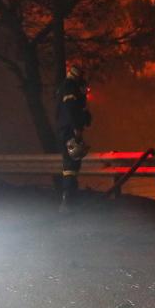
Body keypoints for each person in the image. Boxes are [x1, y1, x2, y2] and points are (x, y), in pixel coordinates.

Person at [56, 64, 92, 209]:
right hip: (69, 129)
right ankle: (68, 201)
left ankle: (69, 199)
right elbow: (71, 108)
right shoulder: (70, 86)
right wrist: (77, 127)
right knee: (71, 162)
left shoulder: (67, 86)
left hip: (67, 128)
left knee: (72, 163)